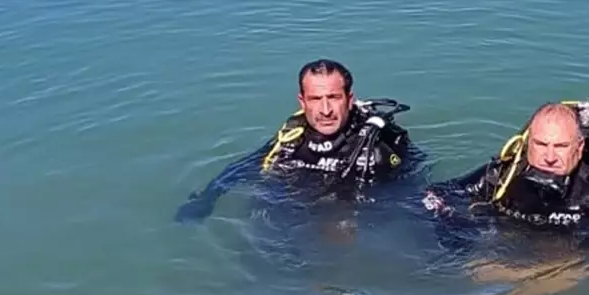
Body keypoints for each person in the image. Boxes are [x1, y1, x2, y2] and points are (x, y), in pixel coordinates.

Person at [421, 100, 589, 295]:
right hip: (511, 251)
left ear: (579, 147)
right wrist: (459, 236)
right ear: (529, 143)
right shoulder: (505, 176)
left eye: (561, 147)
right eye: (541, 144)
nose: (549, 157)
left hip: (568, 264)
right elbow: (435, 195)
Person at [175, 59, 417, 223]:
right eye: (315, 99)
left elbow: (406, 198)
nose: (325, 110)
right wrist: (208, 198)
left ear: (349, 99)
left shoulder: (376, 147)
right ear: (302, 102)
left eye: (333, 97)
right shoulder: (294, 135)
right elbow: (244, 168)